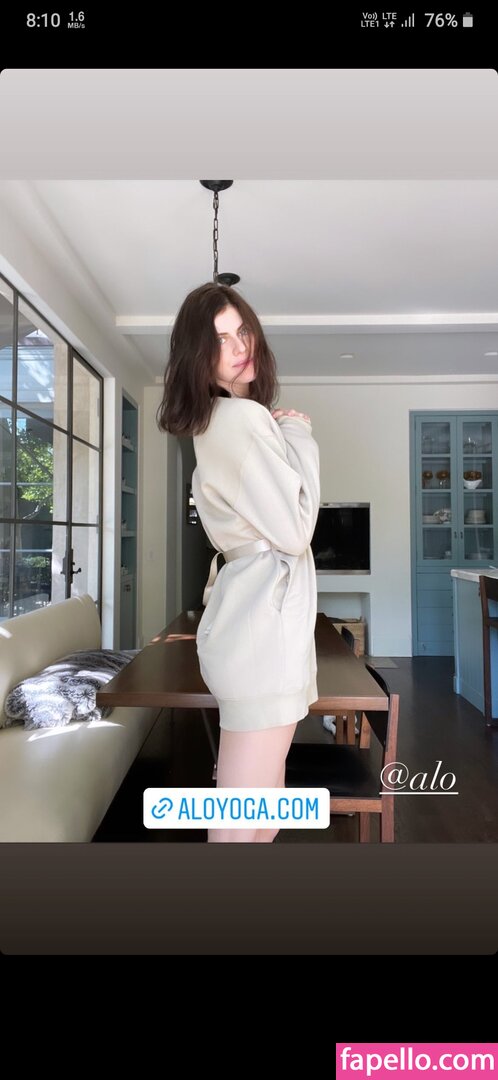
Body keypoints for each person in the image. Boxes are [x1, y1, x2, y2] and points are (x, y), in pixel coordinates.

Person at [157, 282, 320, 842]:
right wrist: (298, 434)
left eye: (242, 330)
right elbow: (295, 530)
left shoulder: (218, 423)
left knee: (260, 813)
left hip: (256, 624)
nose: (239, 346)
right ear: (198, 358)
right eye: (219, 339)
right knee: (241, 820)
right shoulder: (239, 420)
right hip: (262, 635)